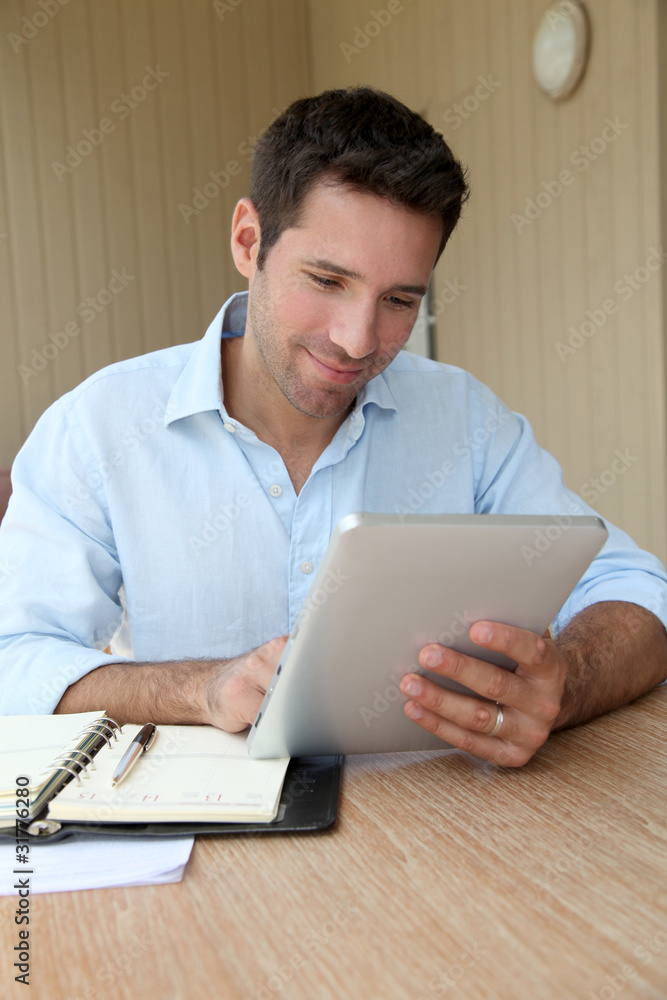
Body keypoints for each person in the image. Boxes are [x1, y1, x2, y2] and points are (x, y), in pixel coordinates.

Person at [1, 86, 666, 768]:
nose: (355, 341)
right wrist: (197, 689)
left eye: (399, 300)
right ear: (247, 240)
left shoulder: (465, 419)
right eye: (325, 280)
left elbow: (639, 594)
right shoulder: (99, 426)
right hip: (204, 853)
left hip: (439, 834)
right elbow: (14, 661)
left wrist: (562, 688)